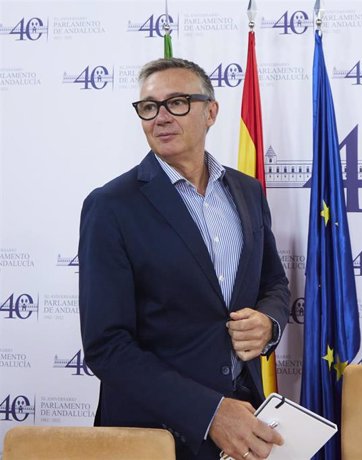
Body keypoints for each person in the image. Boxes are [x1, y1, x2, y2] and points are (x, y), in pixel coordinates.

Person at [78, 57, 288, 460]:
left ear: (211, 112)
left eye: (176, 102)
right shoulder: (110, 206)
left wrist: (269, 324)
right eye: (149, 107)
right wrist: (210, 413)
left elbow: (273, 282)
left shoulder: (247, 191)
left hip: (246, 420)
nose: (161, 117)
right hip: (154, 434)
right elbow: (107, 346)